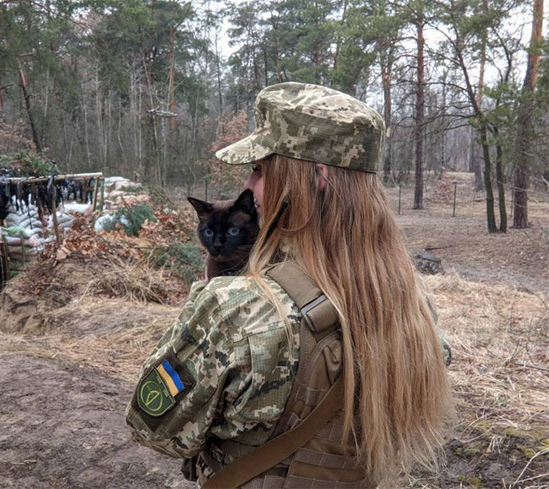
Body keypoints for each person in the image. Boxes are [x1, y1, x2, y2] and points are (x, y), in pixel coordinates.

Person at [126, 82, 453, 488]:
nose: (248, 186)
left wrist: (204, 302)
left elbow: (152, 429)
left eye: (260, 169)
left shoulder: (239, 309)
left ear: (315, 177)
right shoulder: (410, 303)